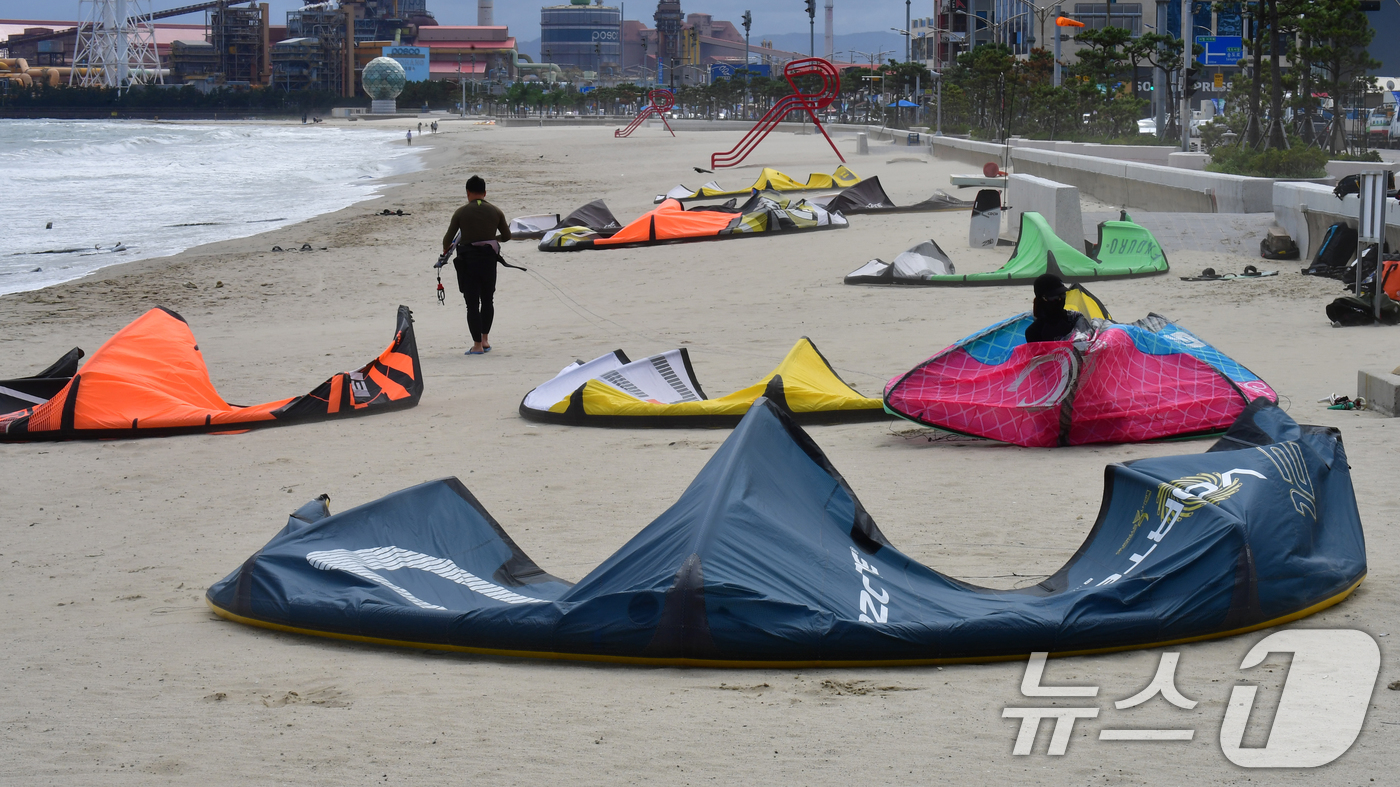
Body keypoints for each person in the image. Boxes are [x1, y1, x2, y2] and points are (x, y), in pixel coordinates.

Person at [442, 175, 512, 355]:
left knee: (472, 304)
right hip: (489, 261)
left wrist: (446, 252)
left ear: (467, 192)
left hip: (468, 262)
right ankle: (486, 340)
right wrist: (490, 239)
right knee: (488, 300)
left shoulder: (461, 212)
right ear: (485, 193)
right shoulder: (496, 211)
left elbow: (447, 240)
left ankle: (477, 345)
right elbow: (506, 236)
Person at [1025, 274, 1090, 343]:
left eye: (1063, 295)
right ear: (1043, 299)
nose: (1060, 299)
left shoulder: (1075, 319)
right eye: (1054, 297)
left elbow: (1087, 344)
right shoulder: (1033, 331)